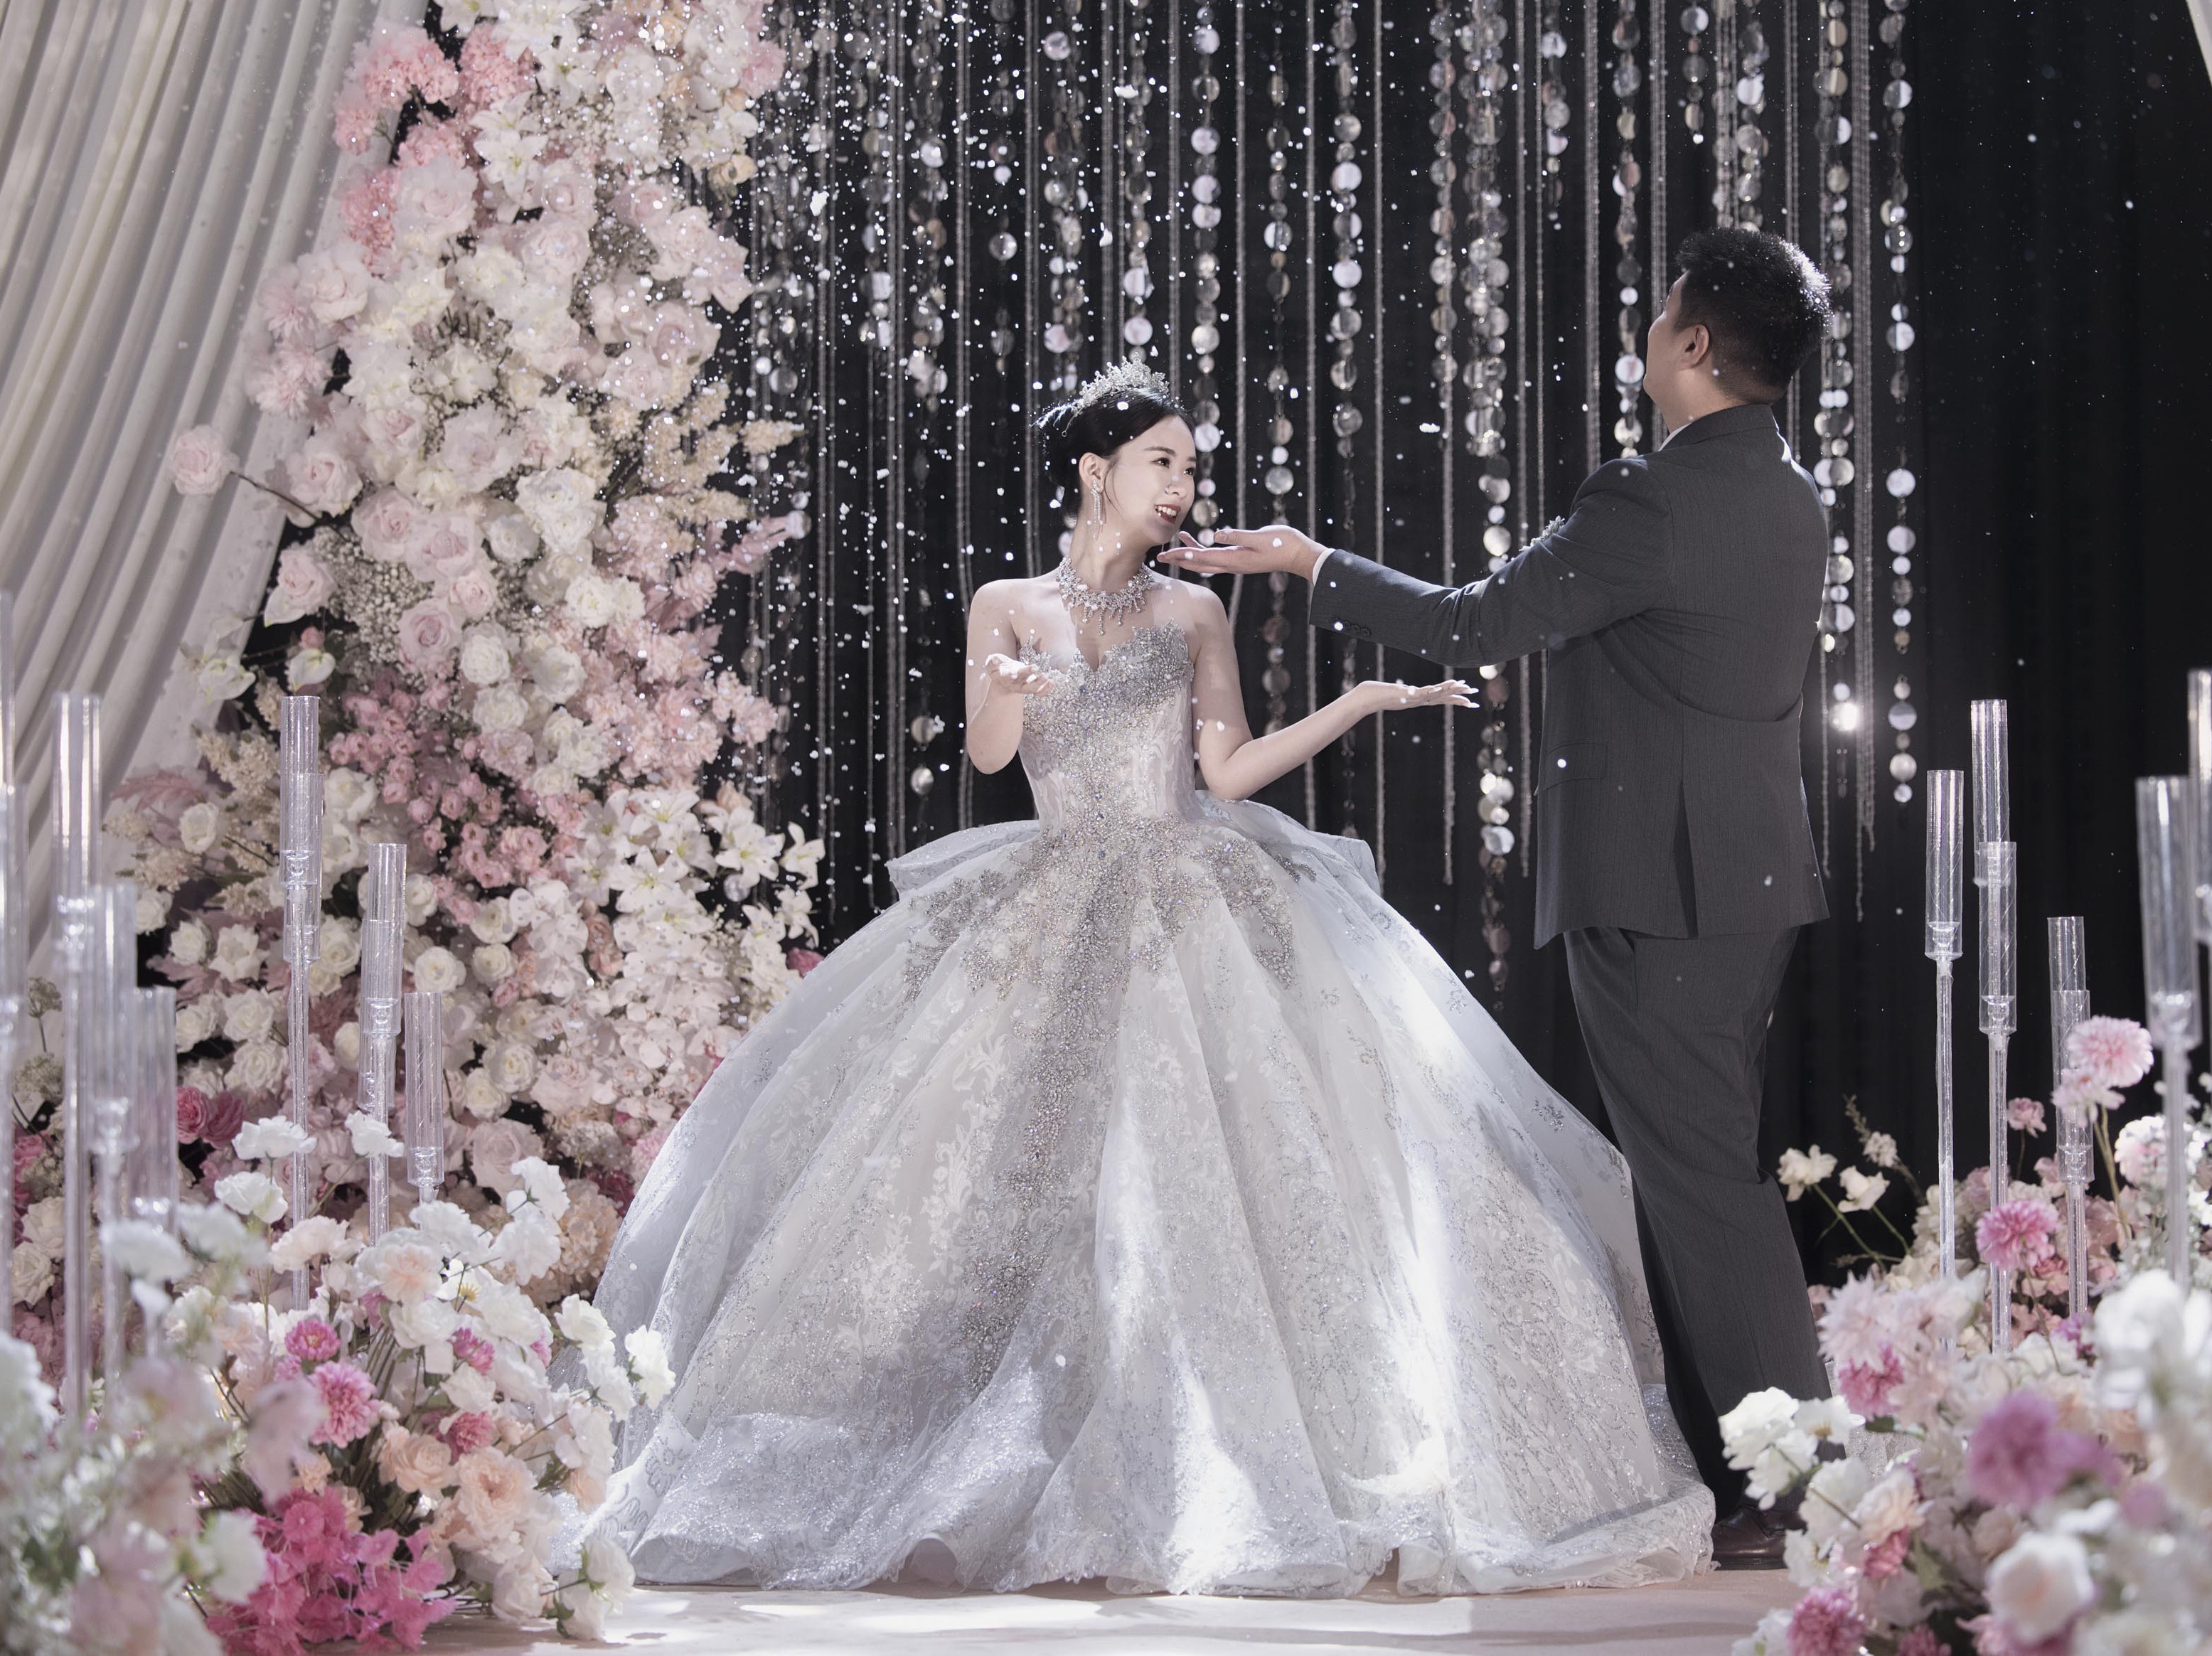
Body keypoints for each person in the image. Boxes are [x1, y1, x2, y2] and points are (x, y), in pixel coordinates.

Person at [588, 362, 1714, 1596]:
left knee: (1201, 1167)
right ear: (1095, 470)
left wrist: (1358, 701)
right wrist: (1004, 689)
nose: (1182, 486)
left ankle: (1195, 1459)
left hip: (1187, 899)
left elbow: (1226, 775)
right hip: (1052, 896)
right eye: (1162, 462)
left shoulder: (1193, 614)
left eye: (1189, 467)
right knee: (1007, 1171)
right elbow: (991, 756)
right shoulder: (1008, 603)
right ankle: (1020, 1431)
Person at [1163, 225, 1834, 1563]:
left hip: (1657, 887)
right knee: (1707, 1171)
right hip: (1749, 875)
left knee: (1699, 1182)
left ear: (1697, 343)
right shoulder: (1791, 491)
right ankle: (1771, 1469)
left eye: (1662, 314)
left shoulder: (1652, 497)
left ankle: (1796, 1483)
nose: (1647, 332)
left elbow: (1472, 623)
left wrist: (1307, 563)